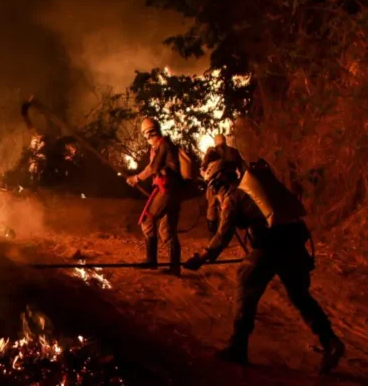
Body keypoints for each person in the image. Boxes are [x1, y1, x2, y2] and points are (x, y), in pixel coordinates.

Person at [183, 160, 345, 373]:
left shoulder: (234, 197)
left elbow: (223, 235)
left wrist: (201, 257)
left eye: (213, 185)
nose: (213, 190)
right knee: (301, 297)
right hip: (295, 246)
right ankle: (331, 342)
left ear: (222, 178)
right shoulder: (255, 189)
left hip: (269, 247)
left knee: (245, 285)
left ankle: (238, 347)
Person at [127, 117, 183, 276]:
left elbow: (153, 168)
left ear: (148, 133)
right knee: (167, 230)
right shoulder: (162, 146)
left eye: (146, 134)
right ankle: (175, 268)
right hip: (174, 192)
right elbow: (154, 167)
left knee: (147, 220)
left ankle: (151, 260)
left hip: (167, 191)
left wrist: (136, 178)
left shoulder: (163, 145)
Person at [201, 134, 248, 234]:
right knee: (232, 204)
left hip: (215, 185)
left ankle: (213, 233)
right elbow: (243, 169)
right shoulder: (233, 152)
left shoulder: (211, 152)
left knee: (212, 206)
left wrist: (207, 179)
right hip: (232, 183)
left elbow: (203, 169)